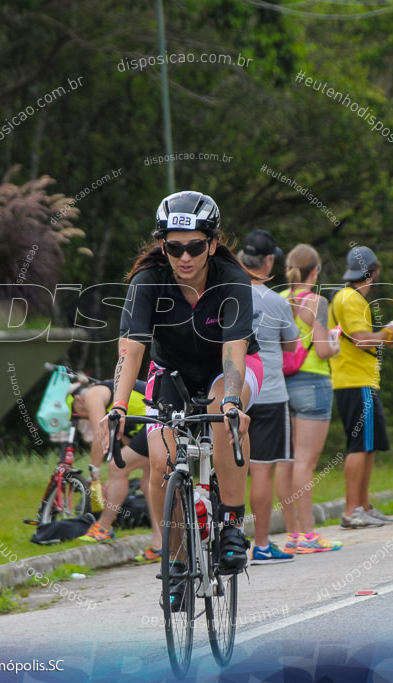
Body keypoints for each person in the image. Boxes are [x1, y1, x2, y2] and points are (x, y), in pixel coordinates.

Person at [110, 191, 264, 607]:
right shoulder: (148, 282)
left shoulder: (232, 278)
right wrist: (119, 405)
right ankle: (176, 559)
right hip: (171, 373)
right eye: (174, 247)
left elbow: (234, 349)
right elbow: (132, 350)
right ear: (163, 246)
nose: (184, 257)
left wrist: (232, 401)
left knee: (222, 414)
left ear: (212, 244)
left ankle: (231, 525)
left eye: (195, 246)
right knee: (163, 459)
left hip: (226, 368)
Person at [328, 246, 393, 529]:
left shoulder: (349, 298)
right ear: (372, 272)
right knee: (359, 446)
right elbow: (361, 339)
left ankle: (363, 506)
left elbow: (359, 339)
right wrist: (387, 332)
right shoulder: (350, 299)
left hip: (361, 380)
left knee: (368, 446)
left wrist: (388, 337)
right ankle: (352, 510)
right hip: (355, 381)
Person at [237, 230, 300, 564]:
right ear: (269, 261)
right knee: (262, 472)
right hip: (270, 392)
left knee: (228, 470)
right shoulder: (276, 301)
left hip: (233, 391)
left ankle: (227, 542)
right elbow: (292, 346)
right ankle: (260, 545)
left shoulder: (225, 294)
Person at [278, 244, 344, 551]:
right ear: (314, 272)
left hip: (282, 385)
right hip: (313, 383)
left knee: (286, 461)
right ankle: (308, 535)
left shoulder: (278, 299)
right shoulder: (317, 302)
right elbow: (321, 349)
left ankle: (292, 534)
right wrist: (335, 343)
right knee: (306, 461)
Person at [71, 380, 162, 562]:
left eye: (76, 413)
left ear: (79, 400)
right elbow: (132, 442)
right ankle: (160, 545)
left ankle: (103, 528)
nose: (79, 416)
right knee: (148, 483)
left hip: (158, 415)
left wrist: (94, 472)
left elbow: (99, 434)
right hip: (154, 417)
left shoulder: (92, 394)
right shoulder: (112, 403)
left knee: (117, 467)